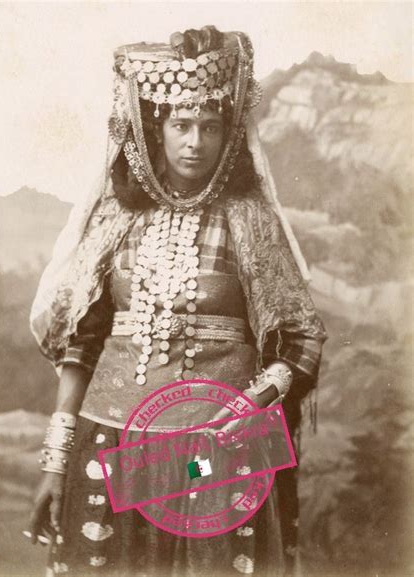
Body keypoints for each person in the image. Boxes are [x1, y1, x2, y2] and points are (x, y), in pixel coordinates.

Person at [28, 25, 327, 577]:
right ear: (154, 129)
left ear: (228, 133)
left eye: (210, 127)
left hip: (220, 454)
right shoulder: (116, 220)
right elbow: (81, 343)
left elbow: (300, 340)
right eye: (181, 125)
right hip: (109, 445)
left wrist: (249, 407)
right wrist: (55, 459)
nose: (196, 142)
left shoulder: (249, 220)